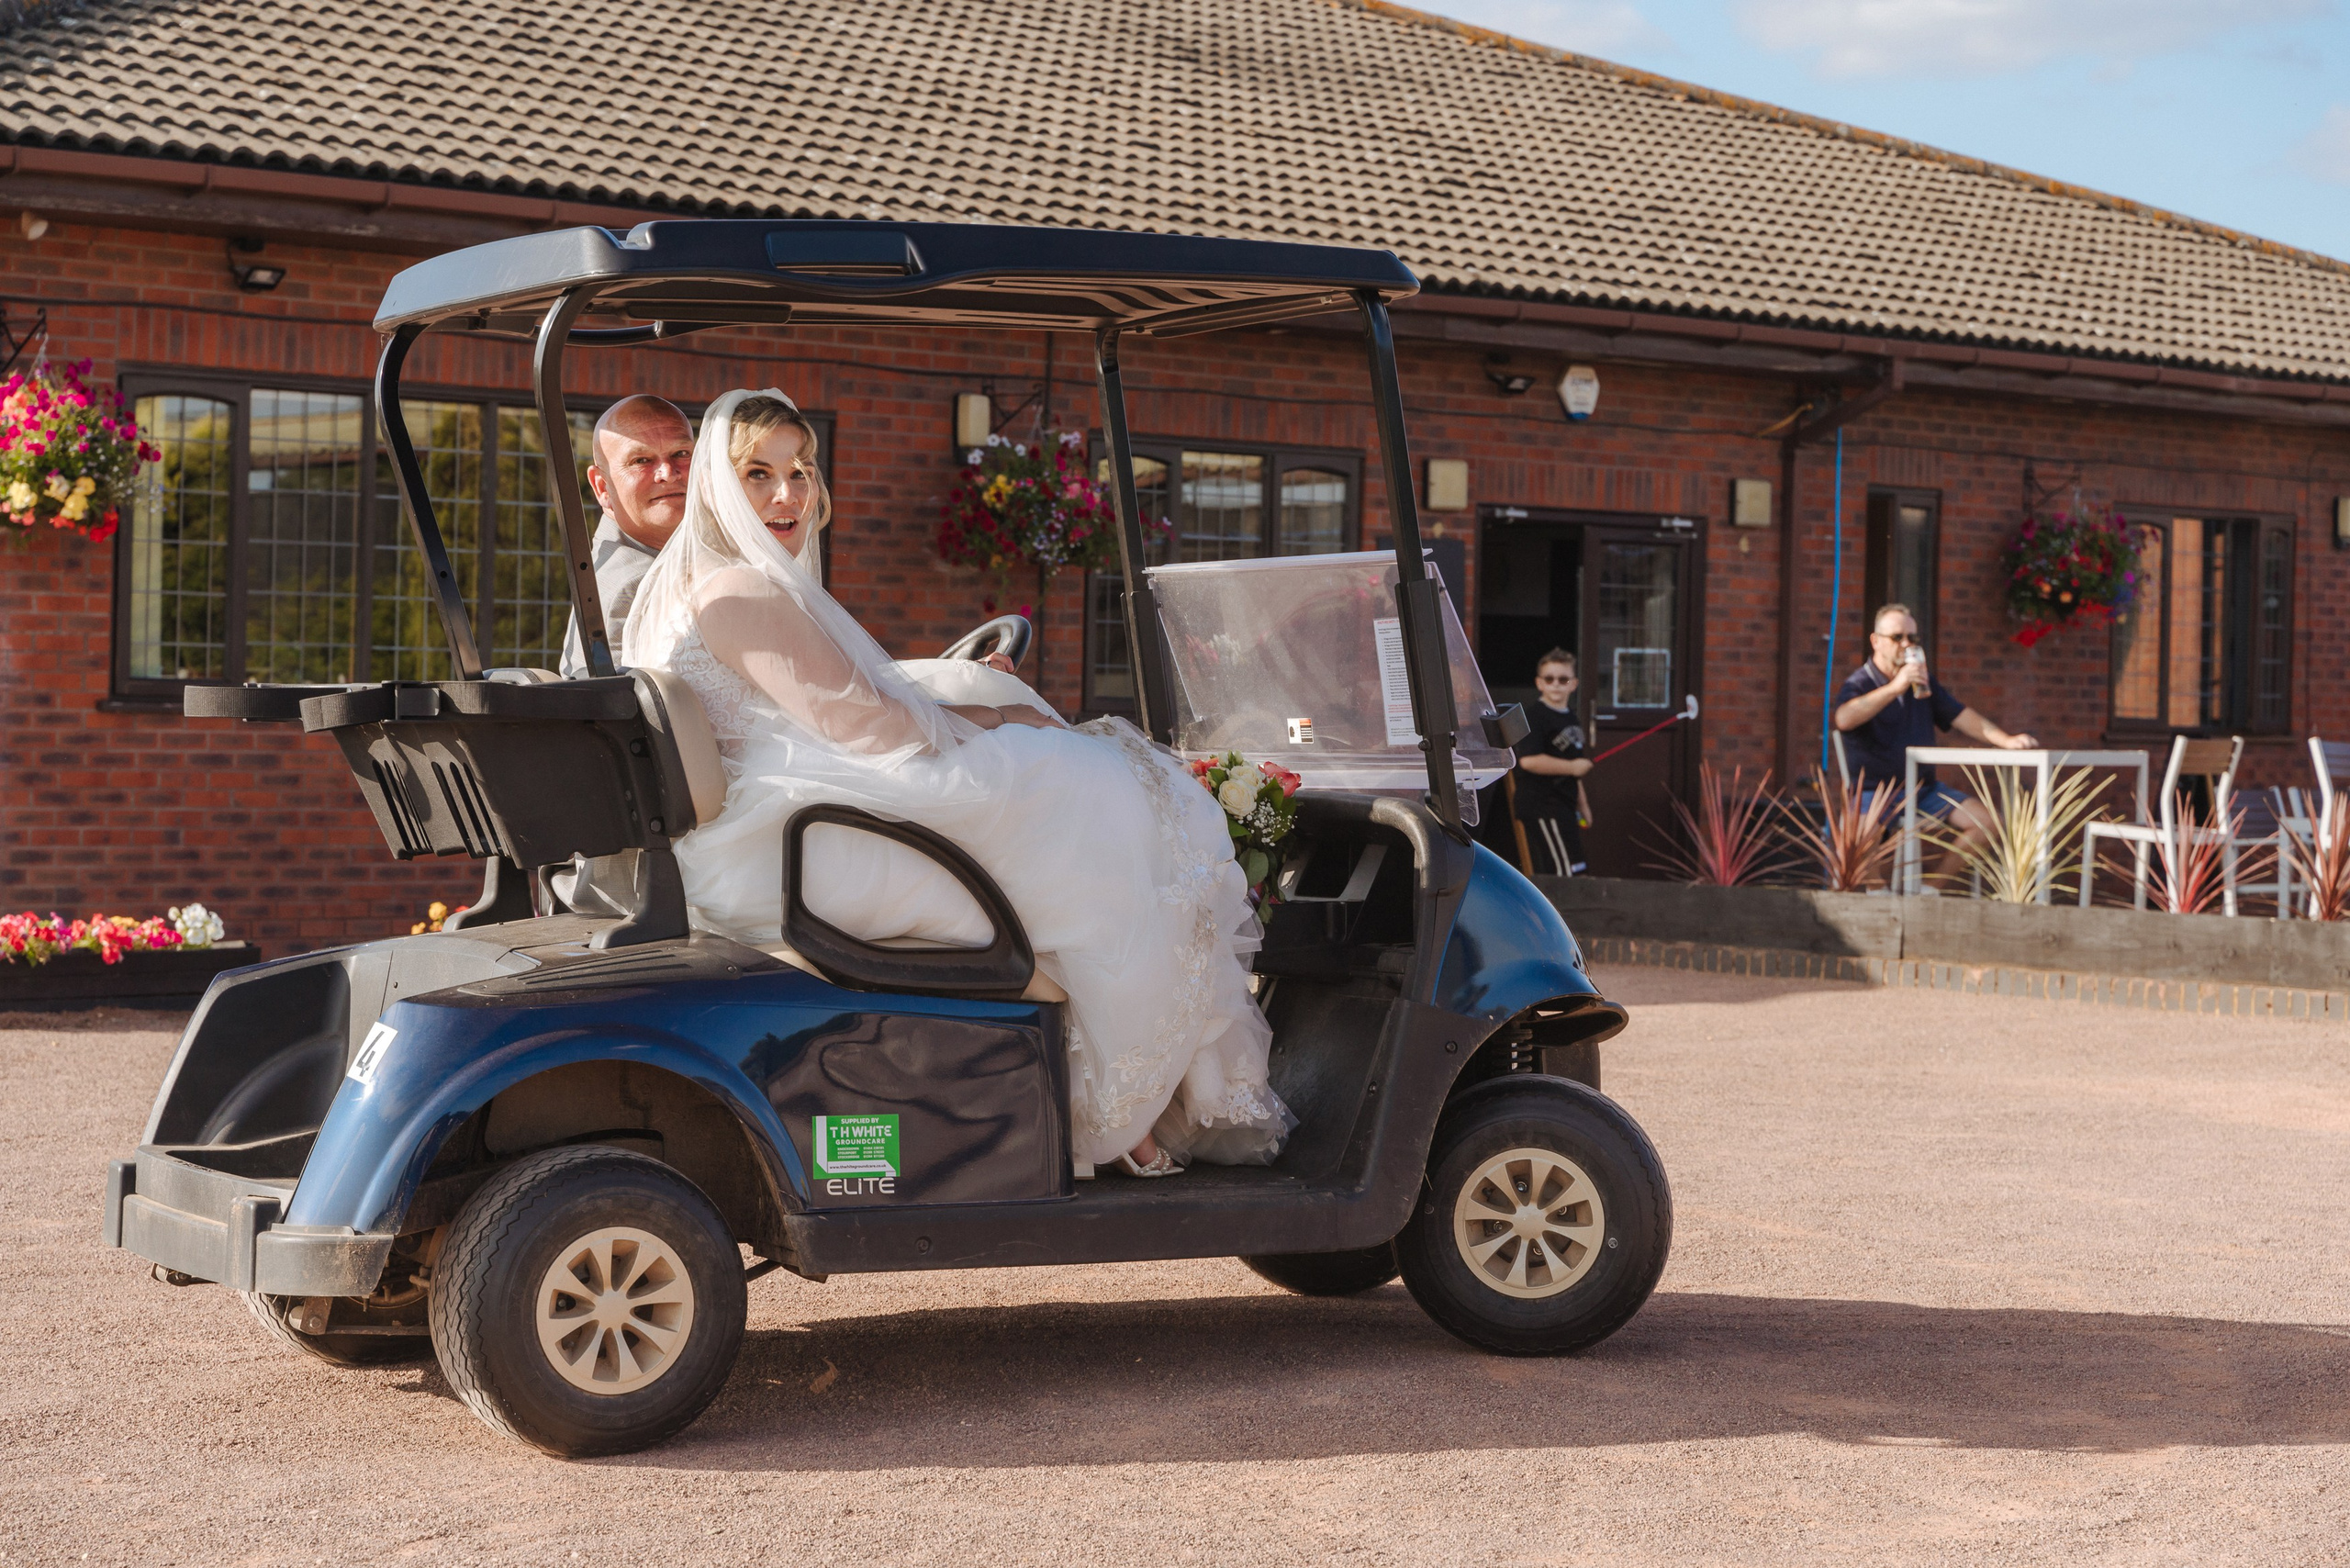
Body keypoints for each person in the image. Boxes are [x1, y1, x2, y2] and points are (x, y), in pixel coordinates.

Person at [623, 388, 1292, 1178]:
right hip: (799, 844)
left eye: (800, 470)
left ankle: (1108, 1087)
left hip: (772, 827)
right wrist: (1005, 725)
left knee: (1058, 781)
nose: (787, 494)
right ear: (716, 486)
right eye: (758, 474)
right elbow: (866, 728)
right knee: (1099, 789)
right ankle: (1120, 1103)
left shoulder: (706, 583)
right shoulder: (740, 590)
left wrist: (964, 700)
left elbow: (818, 708)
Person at [1833, 602, 2039, 882]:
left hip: (1922, 789)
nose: (1906, 644)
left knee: (1989, 823)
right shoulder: (1861, 682)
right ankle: (1877, 897)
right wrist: (1895, 687)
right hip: (1874, 791)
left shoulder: (1922, 682)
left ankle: (1930, 890)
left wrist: (2006, 740)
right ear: (1876, 641)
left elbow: (1961, 716)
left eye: (1912, 638)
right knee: (1861, 833)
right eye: (1897, 638)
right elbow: (1844, 718)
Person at [558, 395, 695, 678]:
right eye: (641, 460)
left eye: (681, 453)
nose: (668, 473)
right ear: (602, 486)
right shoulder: (637, 585)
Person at [1512, 647, 1590, 876]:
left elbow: (1574, 766)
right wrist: (1574, 767)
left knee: (1576, 866)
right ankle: (1562, 912)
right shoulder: (1535, 716)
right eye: (1549, 678)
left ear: (1573, 684)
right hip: (1542, 806)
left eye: (1563, 679)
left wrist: (1583, 805)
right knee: (1563, 871)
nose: (1556, 684)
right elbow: (1529, 761)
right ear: (1540, 683)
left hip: (1565, 805)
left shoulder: (1571, 718)